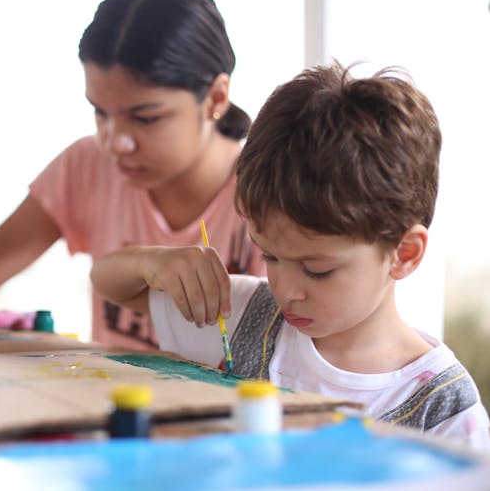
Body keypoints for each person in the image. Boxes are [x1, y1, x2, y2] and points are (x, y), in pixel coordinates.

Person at [90, 61, 490, 449]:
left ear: (404, 253)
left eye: (317, 270)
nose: (286, 290)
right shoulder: (248, 317)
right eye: (270, 256)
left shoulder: (445, 410)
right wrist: (152, 262)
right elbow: (112, 284)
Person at [0, 0, 265, 350]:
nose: (115, 143)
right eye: (100, 112)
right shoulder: (88, 164)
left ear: (216, 98)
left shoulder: (272, 192)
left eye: (145, 117)